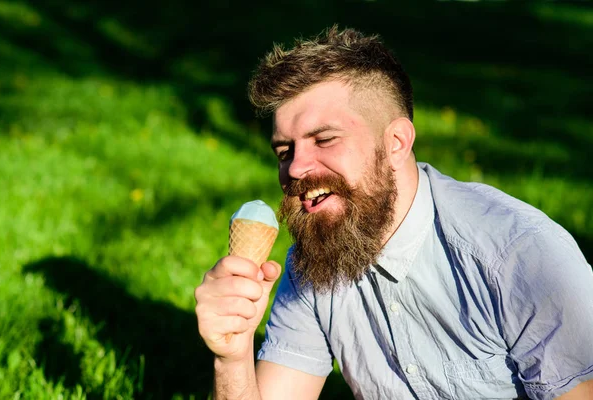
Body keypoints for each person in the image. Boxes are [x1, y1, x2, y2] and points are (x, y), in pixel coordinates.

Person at [194, 26, 593, 400]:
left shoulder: (519, 256)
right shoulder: (310, 264)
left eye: (325, 139)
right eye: (285, 151)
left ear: (397, 143)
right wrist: (231, 355)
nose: (295, 168)